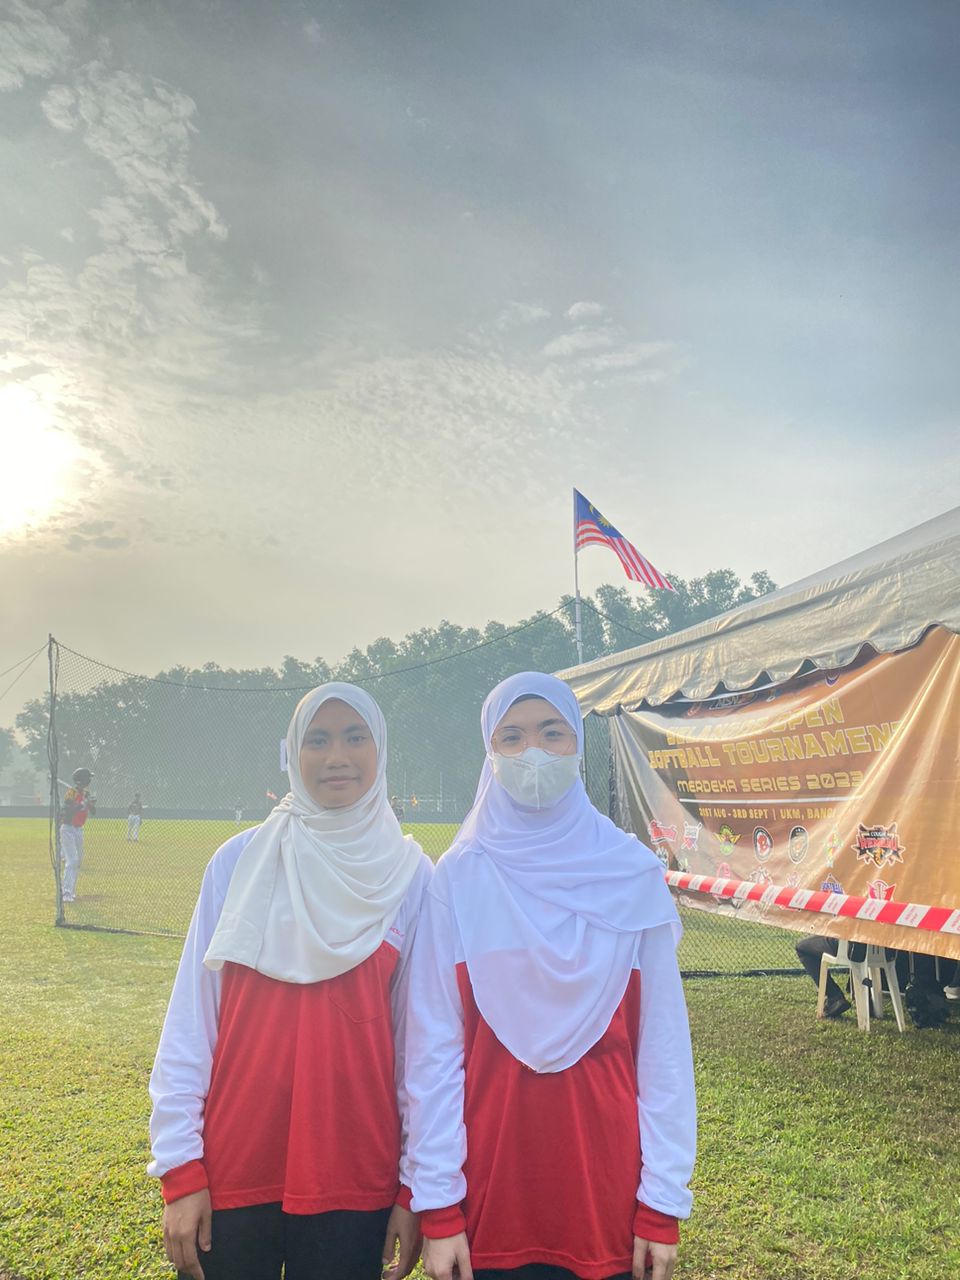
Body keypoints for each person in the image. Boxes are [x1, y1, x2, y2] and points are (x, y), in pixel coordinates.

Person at [403, 672, 696, 1280]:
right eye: (511, 737)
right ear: (489, 752)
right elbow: (433, 1052)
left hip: (606, 1197)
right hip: (489, 1197)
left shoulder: (630, 874)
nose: (532, 752)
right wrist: (439, 1206)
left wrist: (662, 1203)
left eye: (552, 733)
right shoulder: (460, 878)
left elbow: (662, 1051)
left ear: (578, 745)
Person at [149, 683, 432, 1280]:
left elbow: (421, 1050)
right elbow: (192, 1021)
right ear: (292, 752)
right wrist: (180, 1167)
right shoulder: (239, 861)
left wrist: (415, 1186)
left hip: (355, 1174)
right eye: (318, 740)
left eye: (355, 737)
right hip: (233, 1167)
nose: (337, 757)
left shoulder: (410, 877)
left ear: (380, 749)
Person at [60, 767, 94, 903]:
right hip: (68, 828)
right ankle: (66, 893)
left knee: (78, 861)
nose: (90, 781)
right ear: (83, 780)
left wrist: (89, 803)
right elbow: (67, 810)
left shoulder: (86, 793)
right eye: (88, 778)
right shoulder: (71, 792)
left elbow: (93, 811)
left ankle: (71, 891)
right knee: (72, 860)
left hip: (79, 830)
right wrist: (81, 805)